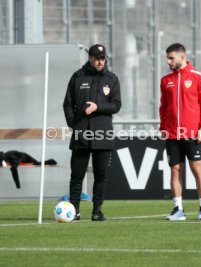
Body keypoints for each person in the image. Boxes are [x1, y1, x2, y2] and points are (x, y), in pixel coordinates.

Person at [63, 44, 121, 221]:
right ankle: (74, 211)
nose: (100, 61)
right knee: (77, 175)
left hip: (102, 135)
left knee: (100, 175)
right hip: (81, 136)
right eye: (96, 58)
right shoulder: (78, 77)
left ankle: (97, 210)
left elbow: (116, 105)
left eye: (103, 58)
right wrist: (74, 124)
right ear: (90, 58)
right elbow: (67, 104)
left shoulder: (112, 79)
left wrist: (98, 107)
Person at [159, 43, 201, 221]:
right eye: (167, 58)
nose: (168, 61)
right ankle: (178, 209)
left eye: (171, 58)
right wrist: (163, 128)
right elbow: (163, 107)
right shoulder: (166, 80)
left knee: (197, 169)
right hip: (172, 134)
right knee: (175, 170)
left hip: (193, 133)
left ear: (182, 57)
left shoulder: (198, 77)